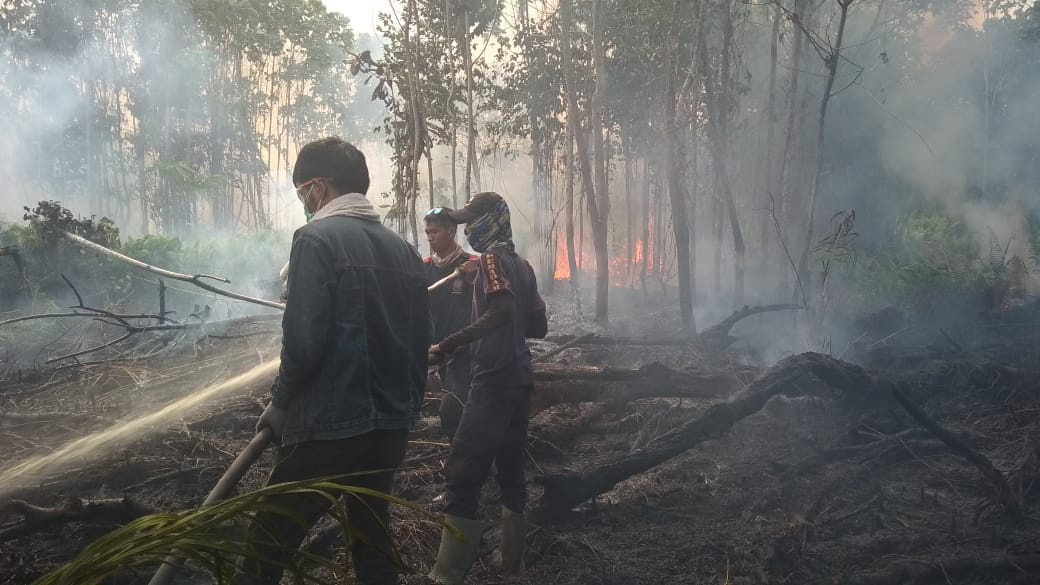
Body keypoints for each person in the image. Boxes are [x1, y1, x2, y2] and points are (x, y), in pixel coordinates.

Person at [236, 137, 429, 585]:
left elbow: (303, 339)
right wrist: (407, 410)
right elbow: (421, 340)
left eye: (302, 192)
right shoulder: (404, 251)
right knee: (371, 536)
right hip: (389, 427)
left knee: (268, 542)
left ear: (318, 188)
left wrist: (280, 402)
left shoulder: (315, 239)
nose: (304, 203)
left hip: (330, 424)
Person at [425, 192, 548, 584]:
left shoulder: (492, 260)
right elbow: (539, 326)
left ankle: (446, 574)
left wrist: (448, 344)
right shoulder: (522, 265)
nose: (469, 229)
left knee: (462, 473)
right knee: (511, 468)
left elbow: (503, 310)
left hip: (492, 380)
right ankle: (512, 562)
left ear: (493, 220)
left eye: (473, 220)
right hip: (519, 379)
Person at [423, 207, 477, 441]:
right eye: (427, 232)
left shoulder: (471, 265)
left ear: (452, 231)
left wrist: (472, 281)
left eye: (435, 232)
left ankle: (460, 449)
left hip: (461, 349)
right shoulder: (425, 267)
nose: (430, 237)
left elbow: (484, 310)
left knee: (453, 407)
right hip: (432, 347)